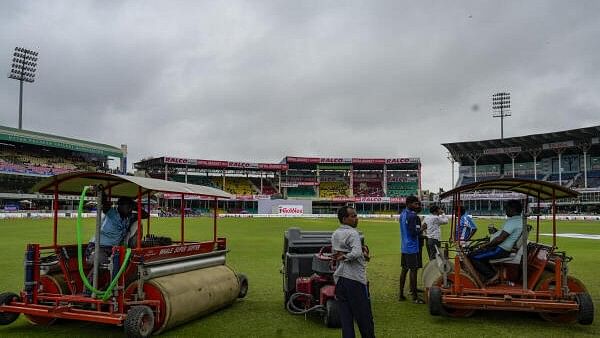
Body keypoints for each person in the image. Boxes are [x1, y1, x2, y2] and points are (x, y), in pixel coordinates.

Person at [85, 196, 148, 294]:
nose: (130, 209)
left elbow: (145, 215)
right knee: (101, 263)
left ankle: (109, 288)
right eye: (128, 206)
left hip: (114, 249)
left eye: (131, 207)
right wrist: (104, 194)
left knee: (127, 264)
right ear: (119, 206)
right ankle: (87, 292)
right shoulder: (112, 213)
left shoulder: (129, 217)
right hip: (98, 246)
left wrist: (135, 206)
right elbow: (105, 205)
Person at [332, 205, 375, 338]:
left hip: (340, 279)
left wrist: (348, 255)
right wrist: (346, 257)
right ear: (345, 219)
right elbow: (355, 253)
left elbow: (339, 252)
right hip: (355, 280)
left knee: (346, 320)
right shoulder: (353, 233)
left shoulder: (335, 233)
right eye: (353, 216)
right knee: (364, 319)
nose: (357, 218)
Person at [468, 200, 523, 284]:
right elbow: (505, 234)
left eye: (507, 208)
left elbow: (500, 239)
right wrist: (496, 232)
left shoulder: (513, 221)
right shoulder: (518, 220)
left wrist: (486, 245)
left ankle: (492, 276)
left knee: (472, 256)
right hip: (502, 248)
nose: (506, 210)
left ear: (513, 209)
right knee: (478, 254)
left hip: (500, 249)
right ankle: (491, 274)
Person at [398, 196, 424, 304]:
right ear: (409, 203)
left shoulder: (403, 213)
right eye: (415, 204)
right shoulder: (412, 216)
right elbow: (414, 233)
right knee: (413, 271)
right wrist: (423, 228)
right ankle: (415, 297)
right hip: (412, 247)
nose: (417, 206)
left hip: (404, 246)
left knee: (404, 270)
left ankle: (401, 294)